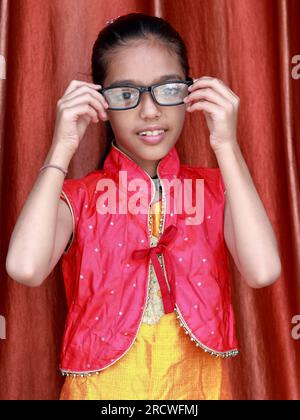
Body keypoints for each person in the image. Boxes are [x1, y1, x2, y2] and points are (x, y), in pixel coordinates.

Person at [5, 13, 281, 400]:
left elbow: (263, 270)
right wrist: (62, 145)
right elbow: (25, 267)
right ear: (101, 102)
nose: (150, 111)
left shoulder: (215, 189)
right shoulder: (80, 197)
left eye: (168, 89)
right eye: (125, 94)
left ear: (192, 91)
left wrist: (227, 145)